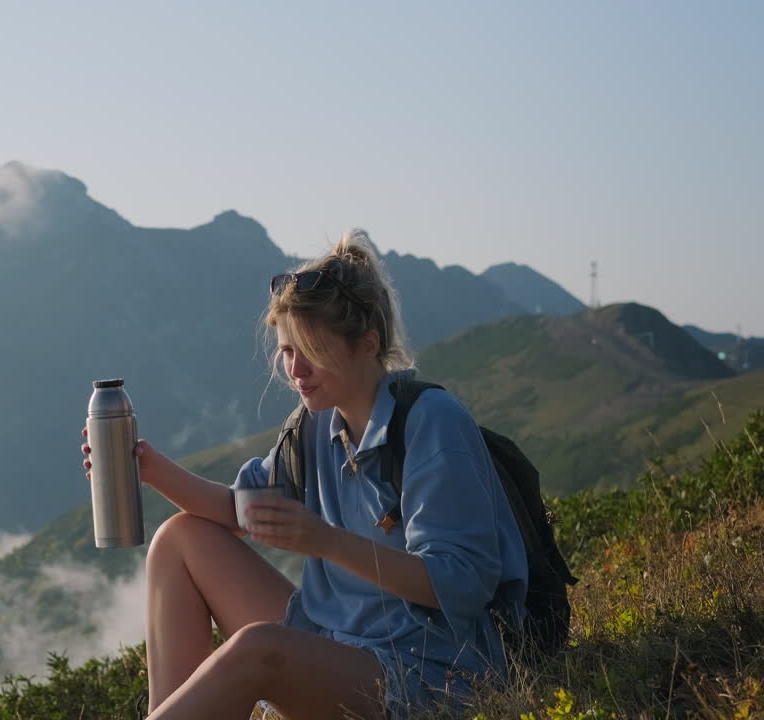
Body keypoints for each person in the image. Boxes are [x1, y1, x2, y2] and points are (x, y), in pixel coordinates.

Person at [81, 228, 528, 719]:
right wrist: (146, 467)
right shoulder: (314, 427)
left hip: (430, 672)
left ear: (367, 344)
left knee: (259, 649)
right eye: (287, 350)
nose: (295, 369)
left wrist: (326, 541)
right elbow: (240, 511)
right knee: (179, 540)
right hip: (336, 639)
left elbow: (461, 585)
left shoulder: (430, 423)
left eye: (310, 348)